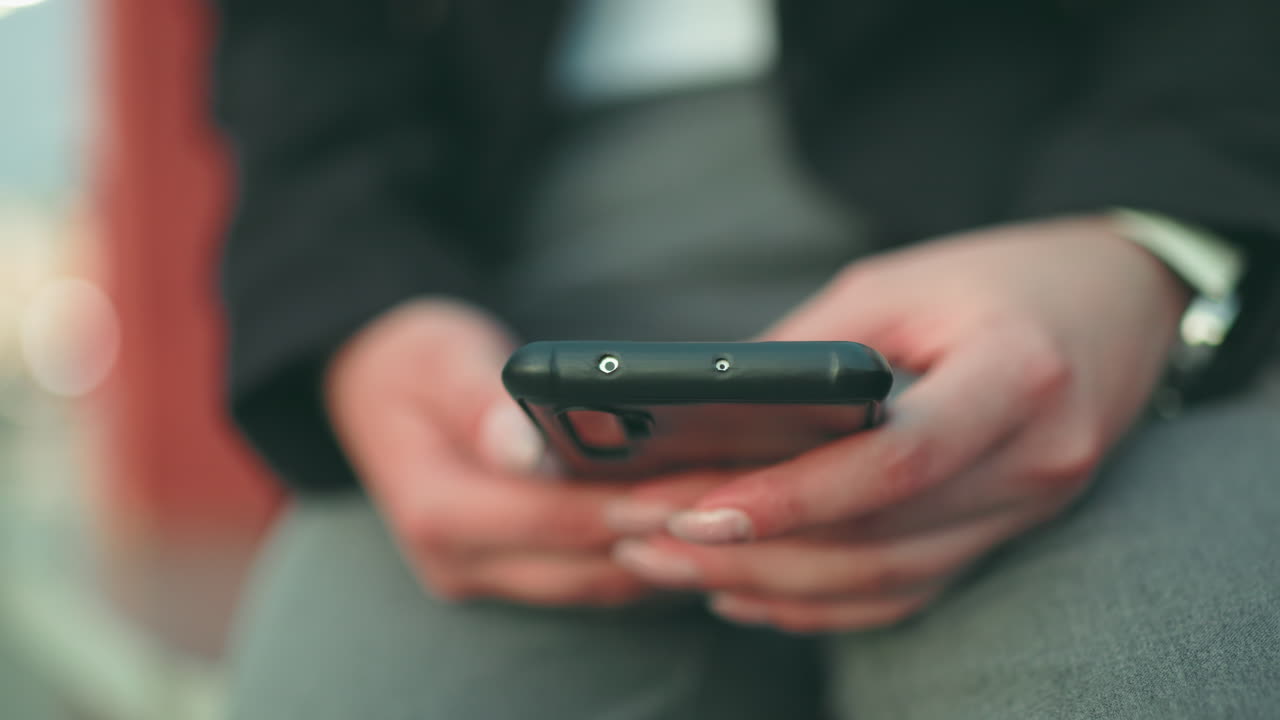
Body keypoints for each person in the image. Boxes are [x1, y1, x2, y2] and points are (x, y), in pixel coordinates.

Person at [212, 1, 1280, 718]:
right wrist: (361, 311)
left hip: (1086, 167)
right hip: (515, 238)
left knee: (1146, 677)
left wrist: (1155, 234)